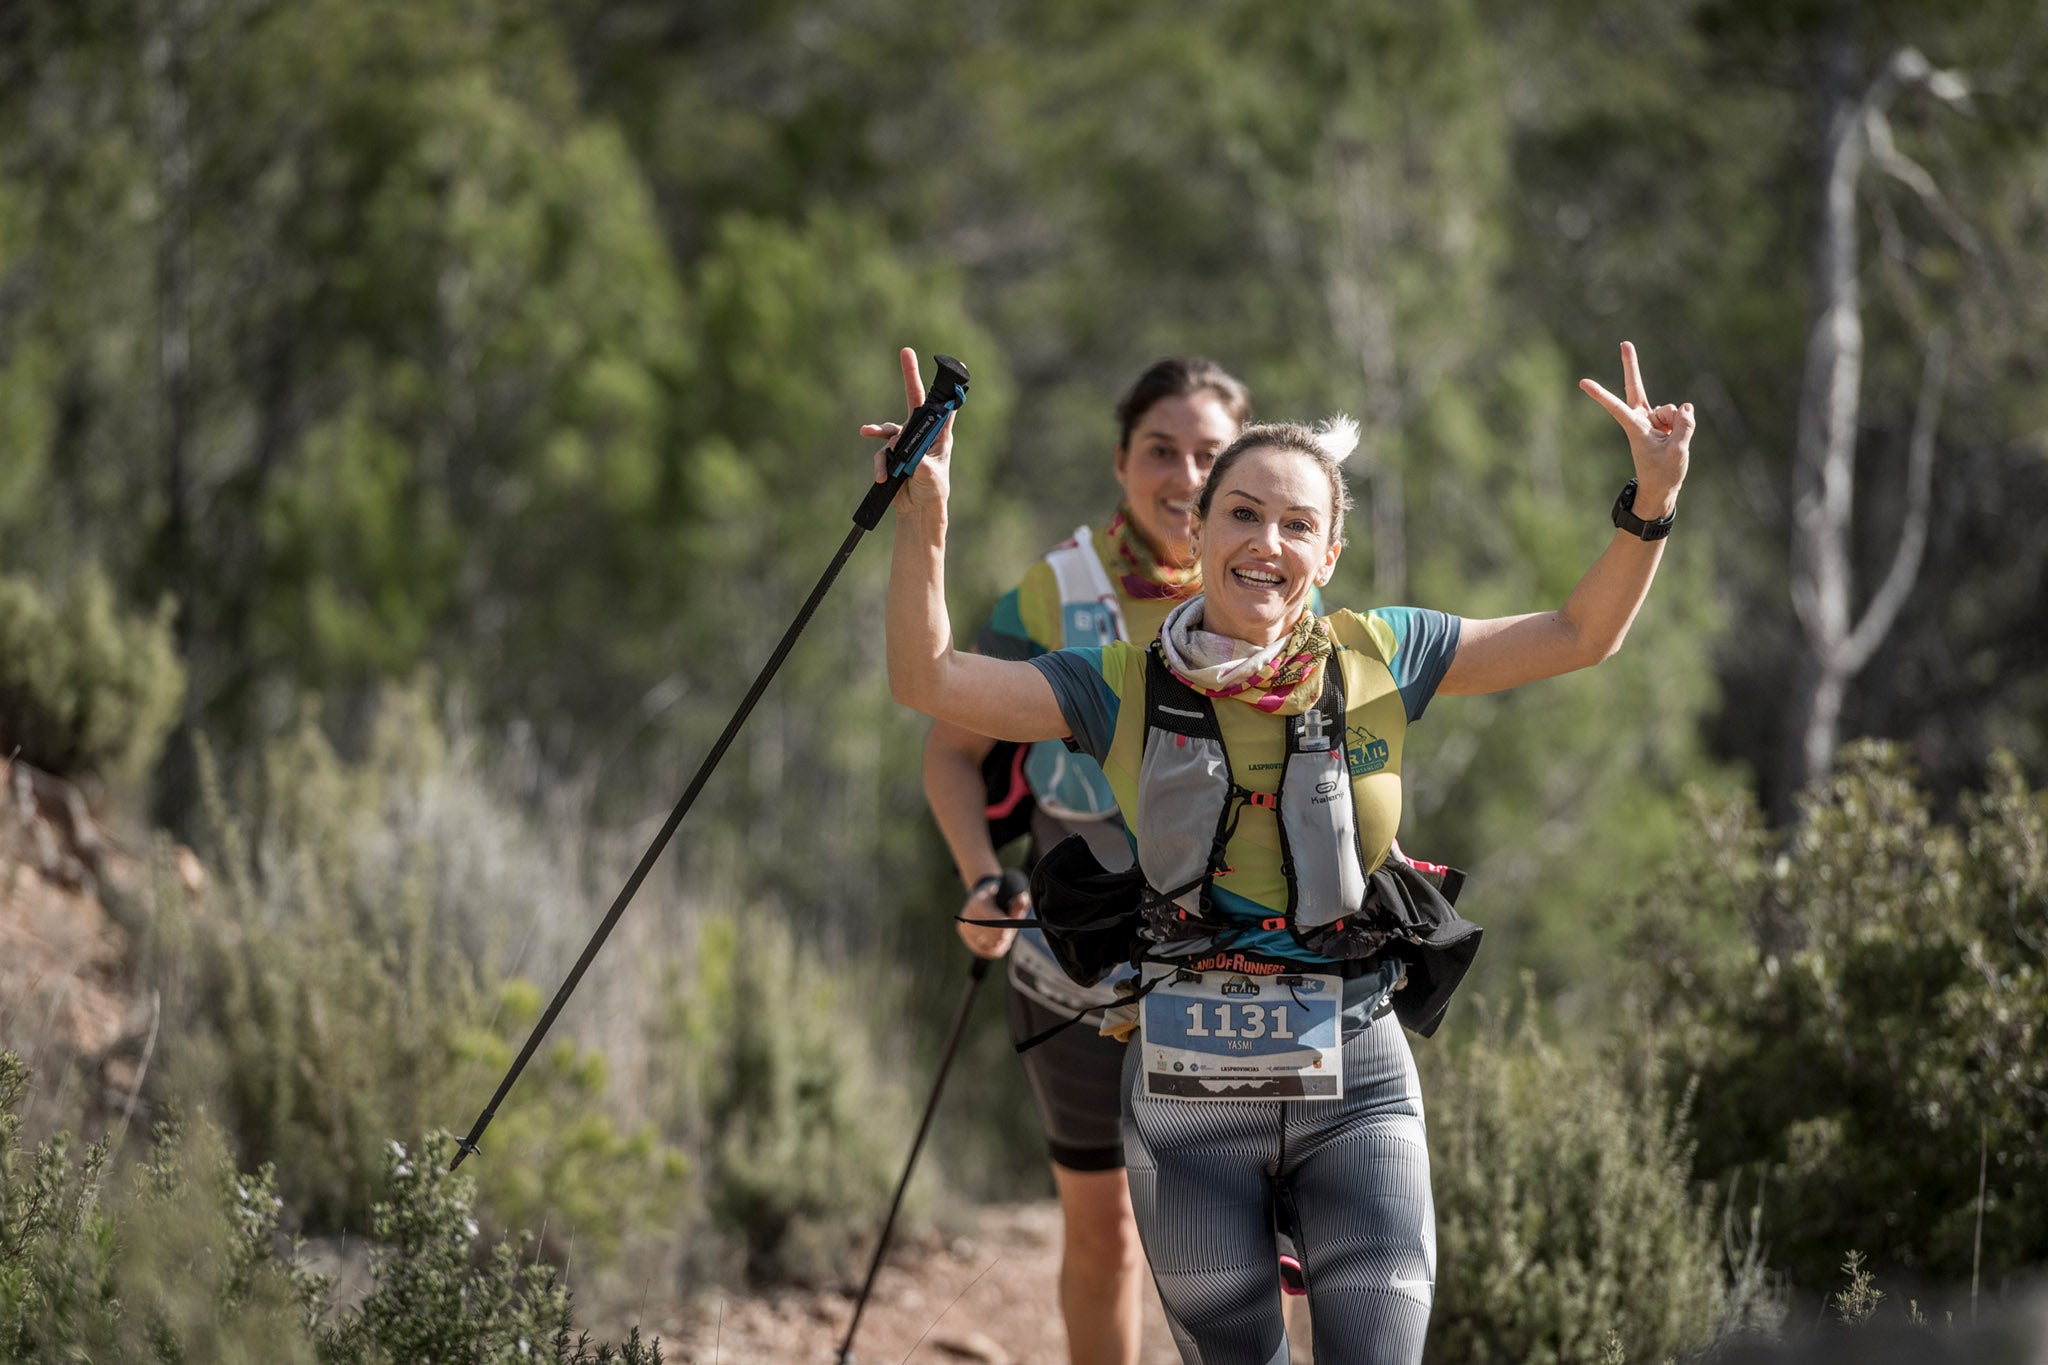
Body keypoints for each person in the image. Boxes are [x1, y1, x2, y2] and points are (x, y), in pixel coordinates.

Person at [872, 340, 1693, 1363]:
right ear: (1200, 529)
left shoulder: (1381, 654)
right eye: (1243, 515)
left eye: (1298, 523)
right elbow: (931, 684)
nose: (1267, 542)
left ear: (1329, 553)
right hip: (1183, 1088)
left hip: (1356, 1070)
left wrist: (1648, 502)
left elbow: (1579, 633)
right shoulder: (1117, 681)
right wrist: (923, 519)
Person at [911, 358, 1253, 1365]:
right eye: (1160, 450)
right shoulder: (1054, 592)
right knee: (1103, 1230)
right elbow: (948, 747)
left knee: (1229, 1237)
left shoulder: (1276, 589)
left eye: (1208, 454)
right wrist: (980, 873)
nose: (1183, 476)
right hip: (1074, 966)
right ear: (1118, 461)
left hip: (1232, 965)